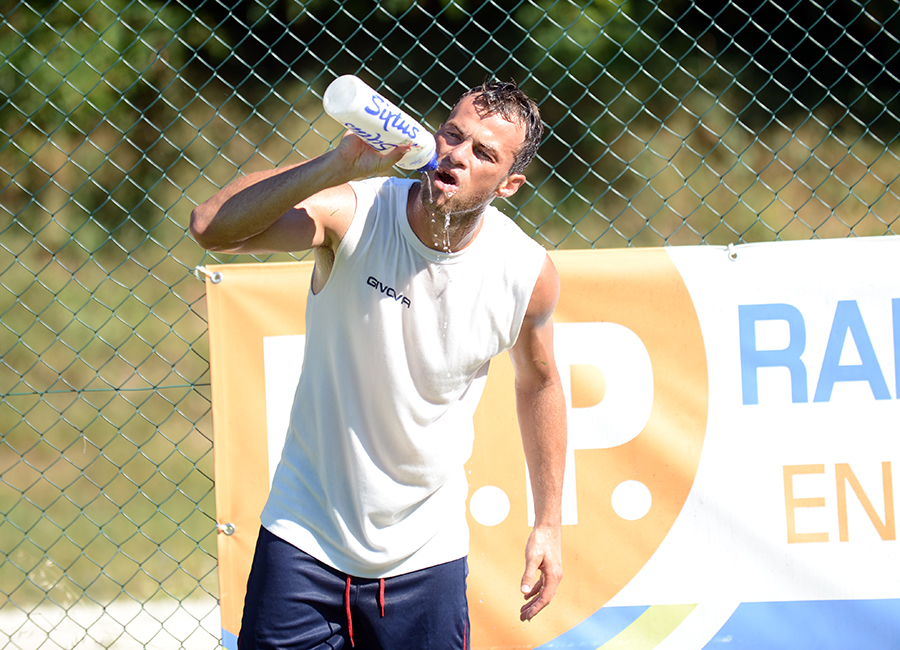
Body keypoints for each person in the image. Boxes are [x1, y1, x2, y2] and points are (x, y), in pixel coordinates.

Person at [190, 79, 567, 650]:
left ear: (509, 184)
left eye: (483, 153)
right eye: (454, 135)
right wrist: (335, 164)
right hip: (304, 537)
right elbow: (211, 227)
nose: (457, 156)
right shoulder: (357, 211)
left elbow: (539, 384)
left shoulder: (525, 273)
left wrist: (548, 524)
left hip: (425, 556)